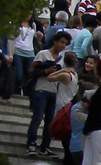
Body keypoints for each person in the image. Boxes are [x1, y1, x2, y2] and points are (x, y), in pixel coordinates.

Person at [25, 29, 72, 157]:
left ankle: (45, 146)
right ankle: (31, 143)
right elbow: (31, 70)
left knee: (50, 121)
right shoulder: (43, 54)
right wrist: (46, 71)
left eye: (65, 43)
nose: (63, 45)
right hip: (41, 89)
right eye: (61, 42)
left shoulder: (62, 59)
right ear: (55, 41)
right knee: (37, 117)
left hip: (54, 91)